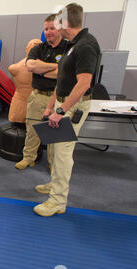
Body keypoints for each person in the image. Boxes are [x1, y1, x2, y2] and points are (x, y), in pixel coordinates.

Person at [33, 3, 101, 217]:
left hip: (73, 108)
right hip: (62, 103)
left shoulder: (86, 46)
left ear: (64, 22)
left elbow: (83, 85)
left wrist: (61, 111)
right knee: (54, 148)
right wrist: (52, 104)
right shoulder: (73, 44)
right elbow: (63, 80)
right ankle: (55, 184)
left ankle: (58, 201)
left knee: (63, 154)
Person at [15, 14, 68, 171]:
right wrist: (55, 67)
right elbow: (30, 66)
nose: (48, 32)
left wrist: (42, 69)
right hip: (37, 96)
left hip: (57, 97)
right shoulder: (39, 48)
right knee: (32, 130)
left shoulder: (68, 48)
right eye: (46, 29)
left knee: (55, 135)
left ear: (60, 29)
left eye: (52, 28)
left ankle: (53, 164)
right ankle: (28, 158)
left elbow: (64, 73)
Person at [7, 38, 42, 124]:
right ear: (26, 49)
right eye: (33, 47)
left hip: (37, 104)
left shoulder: (45, 68)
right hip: (20, 103)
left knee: (35, 131)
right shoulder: (15, 68)